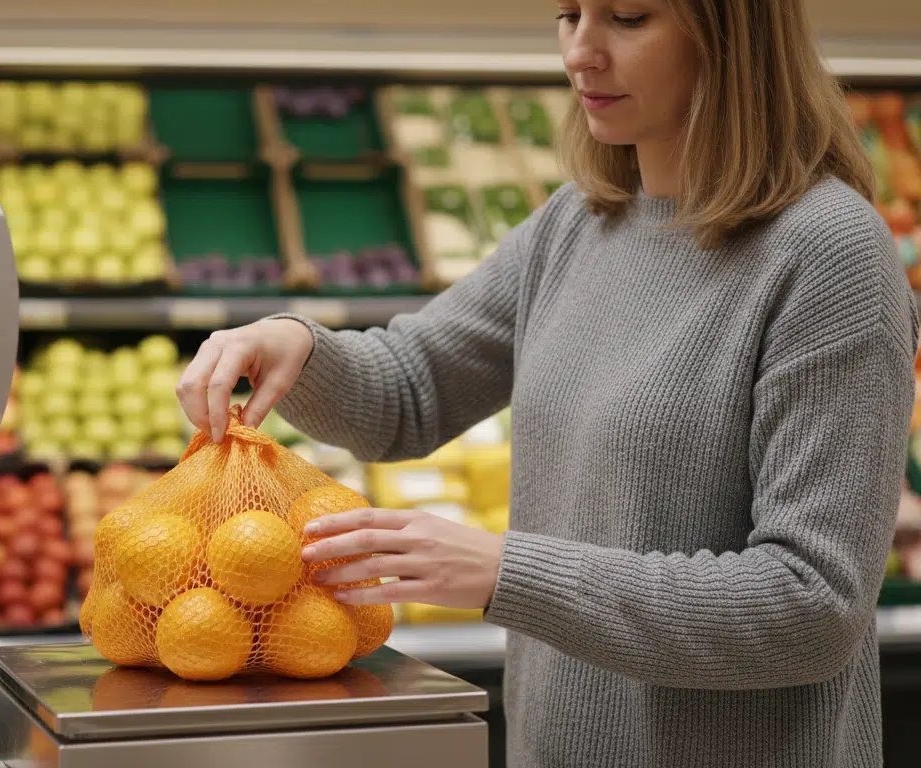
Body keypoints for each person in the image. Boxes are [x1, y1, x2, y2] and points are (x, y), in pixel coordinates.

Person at [176, 0, 919, 765]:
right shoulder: (578, 223)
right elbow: (407, 391)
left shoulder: (830, 255)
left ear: (733, 35)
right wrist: (294, 343)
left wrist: (505, 571)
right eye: (568, 16)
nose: (581, 53)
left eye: (628, 18)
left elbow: (810, 606)